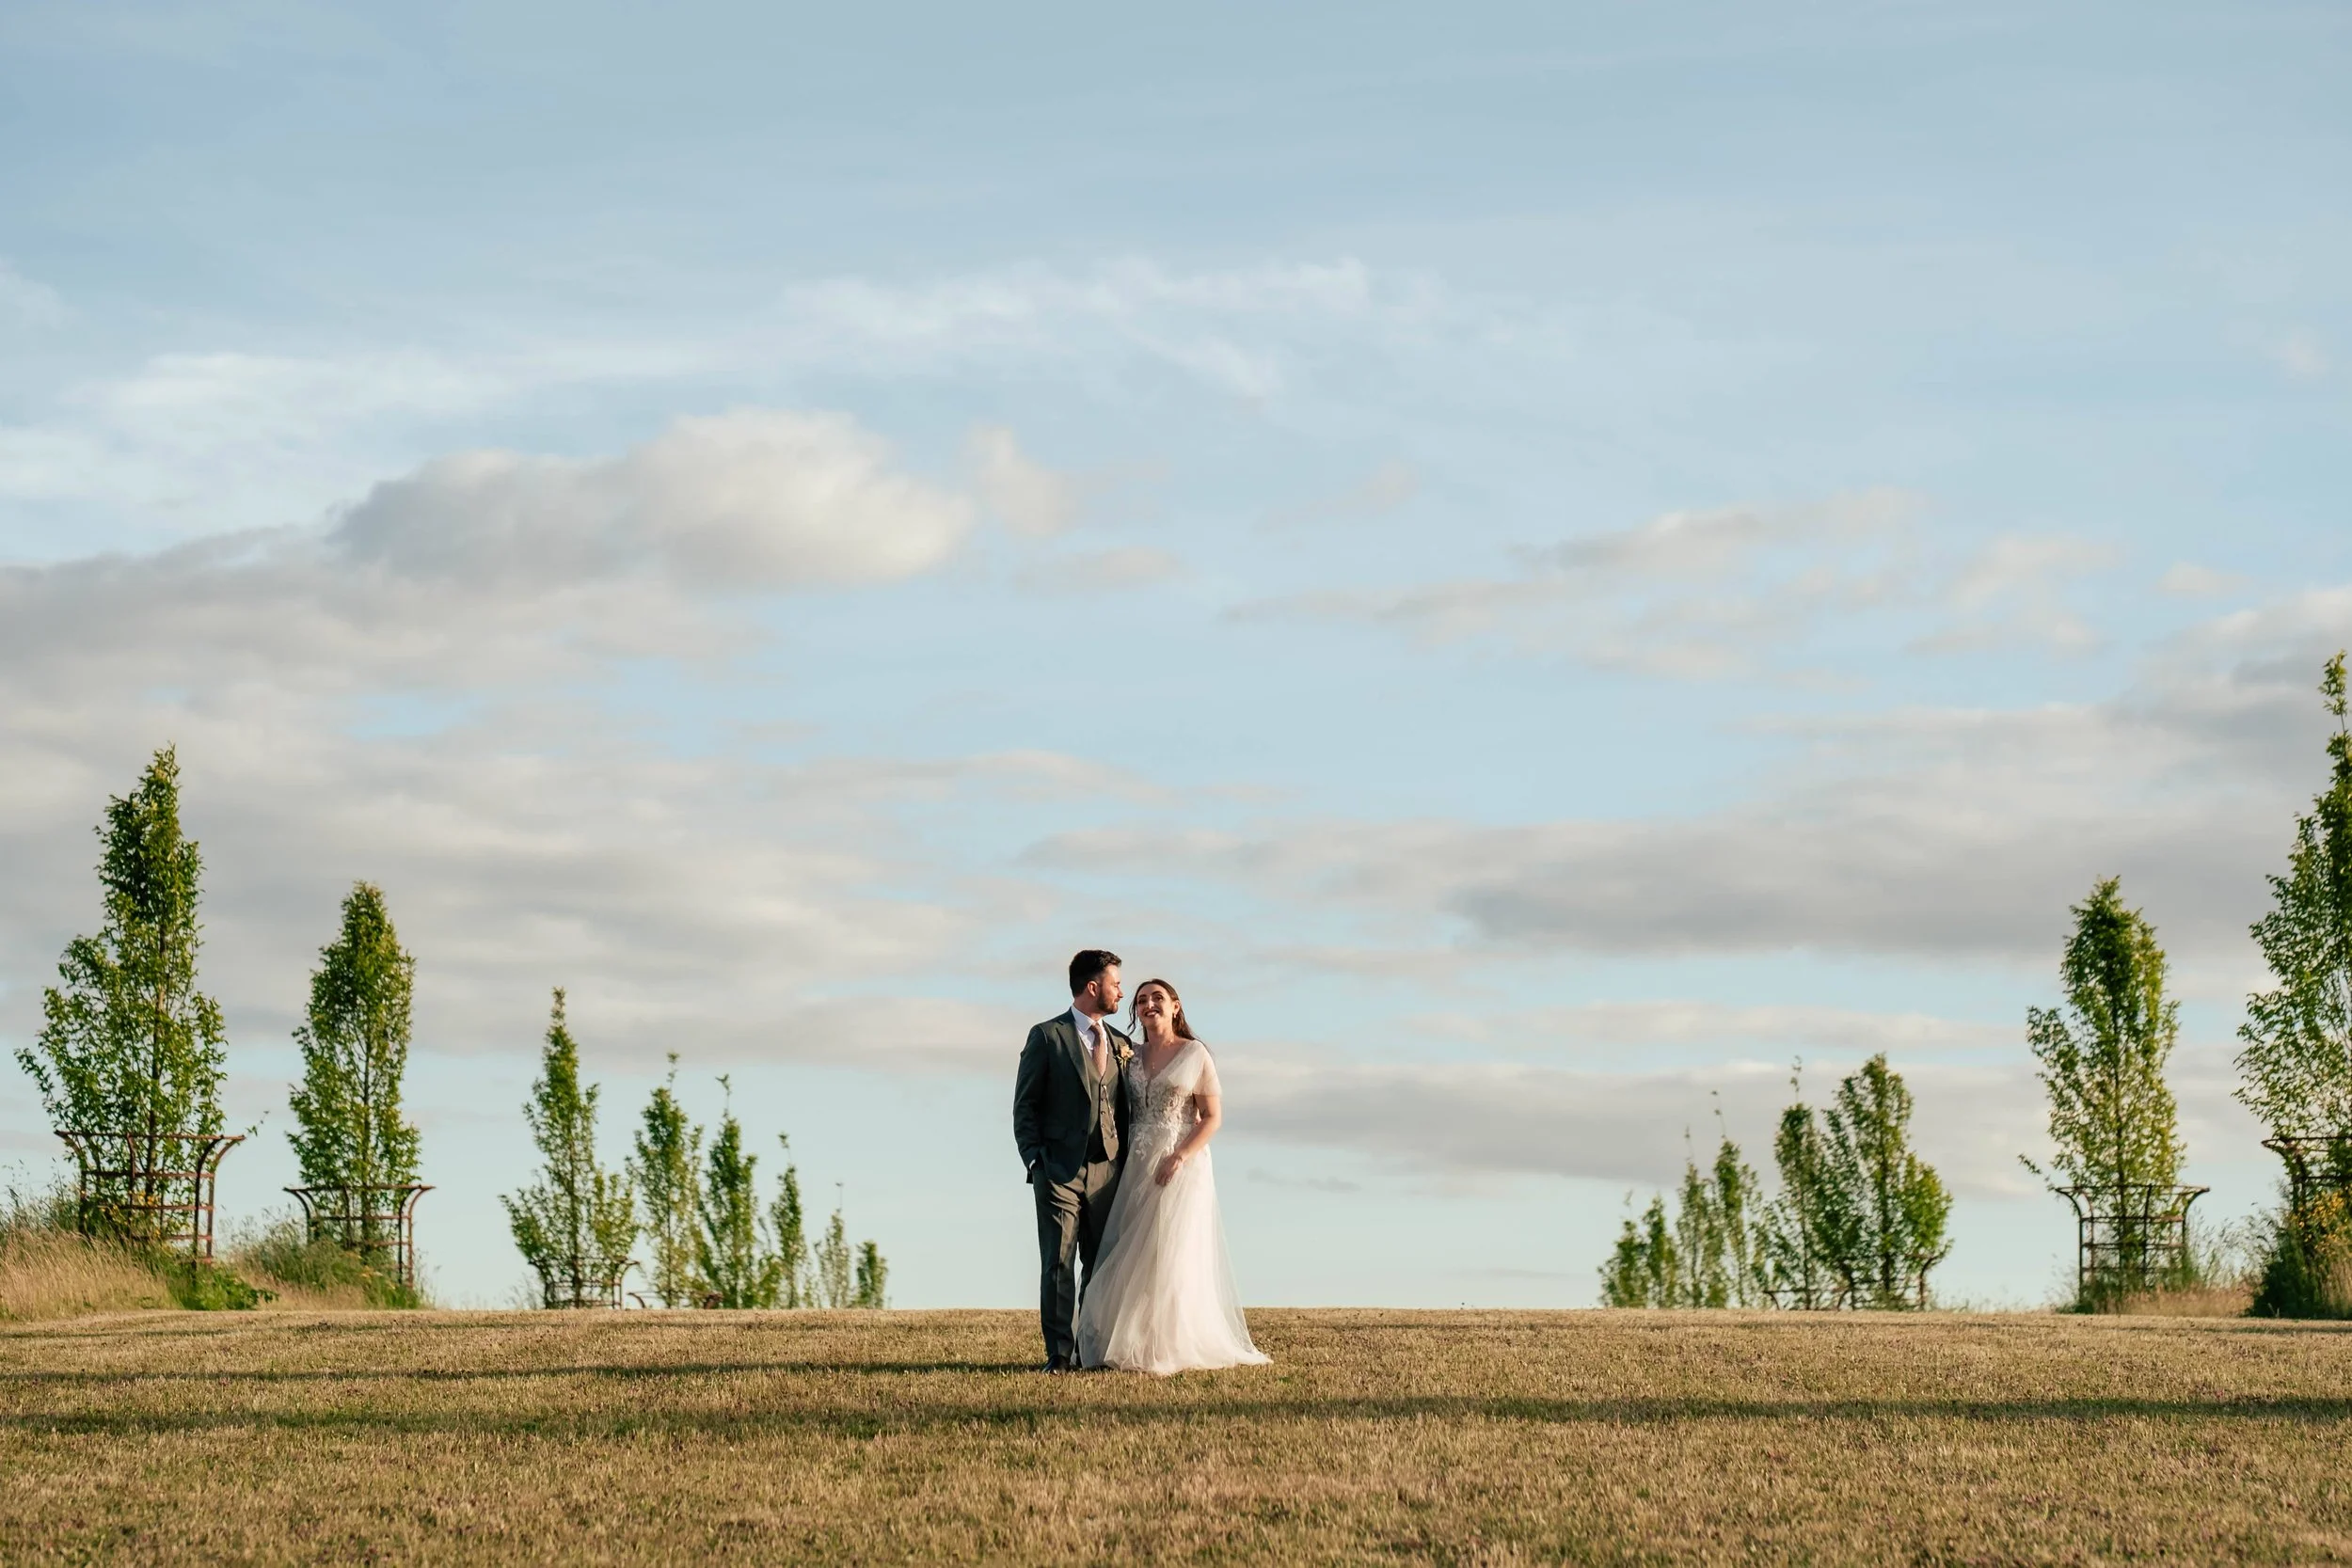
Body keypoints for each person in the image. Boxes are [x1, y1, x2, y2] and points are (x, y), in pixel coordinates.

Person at [1073, 976, 1269, 1374]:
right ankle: (1125, 1341)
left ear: (1175, 1007)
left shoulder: (1195, 1054)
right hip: (1135, 1166)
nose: (1149, 1005)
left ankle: (1165, 1345)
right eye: (1141, 1000)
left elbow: (1212, 1118)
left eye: (1157, 998)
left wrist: (1179, 1156)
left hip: (1181, 1164)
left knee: (1168, 1254)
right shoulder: (1130, 1055)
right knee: (1128, 1253)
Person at [1011, 949, 1133, 1372]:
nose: (1122, 991)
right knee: (1059, 1264)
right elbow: (1024, 1107)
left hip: (1107, 1172)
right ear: (1092, 987)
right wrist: (1034, 1161)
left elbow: (1124, 1110)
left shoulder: (1121, 1044)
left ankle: (1090, 1350)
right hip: (1058, 1170)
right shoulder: (1047, 1036)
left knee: (1100, 1266)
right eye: (1116, 983)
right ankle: (1059, 1356)